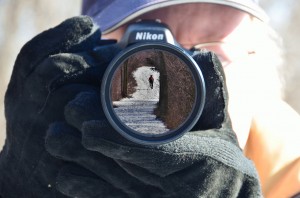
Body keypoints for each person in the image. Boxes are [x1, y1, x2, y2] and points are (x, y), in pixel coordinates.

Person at [0, 1, 299, 198]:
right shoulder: (56, 160)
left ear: (261, 66)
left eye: (212, 52)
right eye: (144, 54)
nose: (174, 75)